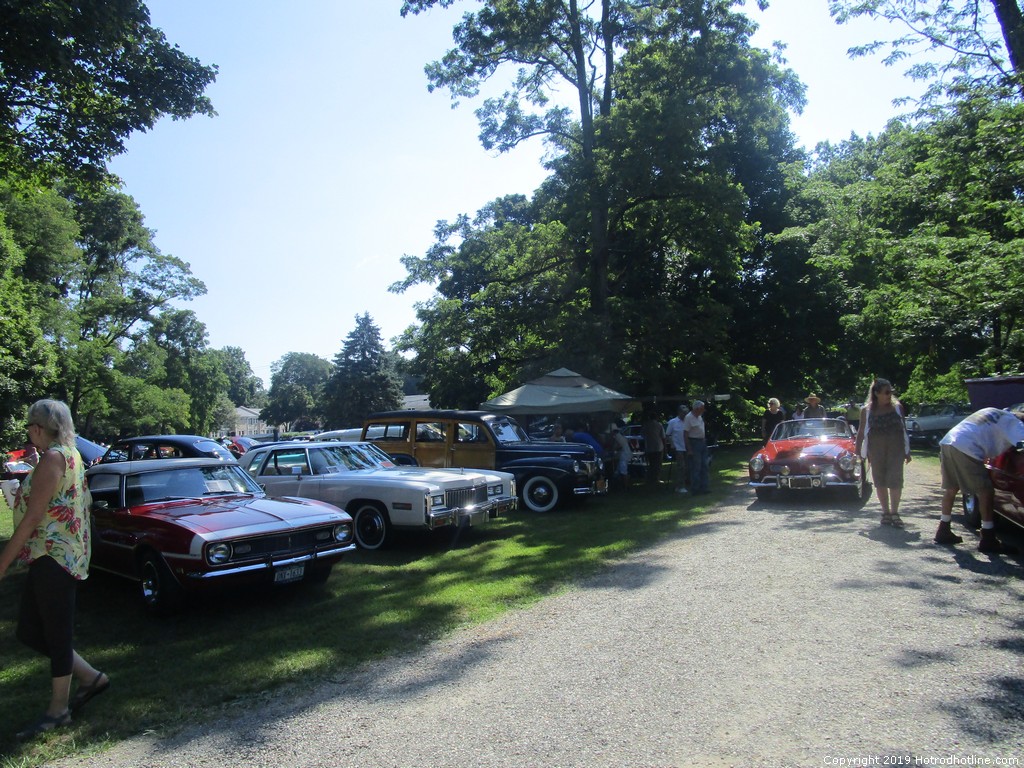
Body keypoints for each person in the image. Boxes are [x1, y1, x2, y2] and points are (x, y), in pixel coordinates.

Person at [0, 400, 109, 740]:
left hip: (55, 556)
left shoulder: (52, 458)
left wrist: (2, 564)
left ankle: (58, 710)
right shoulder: (68, 453)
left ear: (37, 429)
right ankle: (92, 677)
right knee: (30, 632)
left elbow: (33, 517)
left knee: (57, 636)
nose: (29, 434)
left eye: (30, 428)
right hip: (53, 554)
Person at [933, 407, 1024, 554]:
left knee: (951, 488)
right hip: (967, 446)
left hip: (949, 441)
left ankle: (943, 530)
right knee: (986, 492)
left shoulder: (994, 411)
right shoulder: (1015, 423)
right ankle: (988, 539)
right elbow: (1022, 443)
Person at [855, 378, 911, 526]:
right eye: (886, 392)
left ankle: (895, 513)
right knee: (879, 481)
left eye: (890, 392)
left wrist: (907, 450)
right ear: (876, 393)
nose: (889, 395)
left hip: (896, 450)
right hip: (876, 451)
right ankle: (885, 512)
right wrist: (858, 453)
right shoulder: (866, 410)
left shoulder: (897, 407)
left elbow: (904, 429)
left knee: (895, 480)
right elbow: (861, 432)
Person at [684, 401, 709, 494]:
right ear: (697, 408)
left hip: (702, 442)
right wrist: (689, 449)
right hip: (694, 442)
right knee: (696, 467)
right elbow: (685, 434)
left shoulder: (699, 417)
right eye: (702, 408)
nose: (704, 410)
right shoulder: (688, 417)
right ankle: (695, 488)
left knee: (704, 465)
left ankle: (704, 487)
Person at [665, 405, 689, 494]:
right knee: (681, 466)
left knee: (688, 467)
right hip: (678, 447)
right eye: (684, 413)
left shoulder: (687, 421)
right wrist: (672, 444)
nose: (686, 415)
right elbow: (667, 435)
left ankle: (687, 483)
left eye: (687, 413)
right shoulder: (673, 422)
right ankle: (680, 486)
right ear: (679, 413)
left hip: (687, 447)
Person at [641, 411, 666, 486]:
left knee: (650, 464)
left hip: (649, 446)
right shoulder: (659, 425)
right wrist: (664, 447)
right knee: (658, 464)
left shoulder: (646, 425)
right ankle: (656, 478)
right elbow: (663, 437)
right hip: (658, 446)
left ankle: (649, 478)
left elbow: (642, 434)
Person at [609, 420, 631, 491]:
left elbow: (618, 446)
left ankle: (626, 487)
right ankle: (622, 486)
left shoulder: (616, 437)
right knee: (618, 471)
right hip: (624, 455)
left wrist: (612, 450)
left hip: (623, 455)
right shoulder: (620, 435)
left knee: (623, 471)